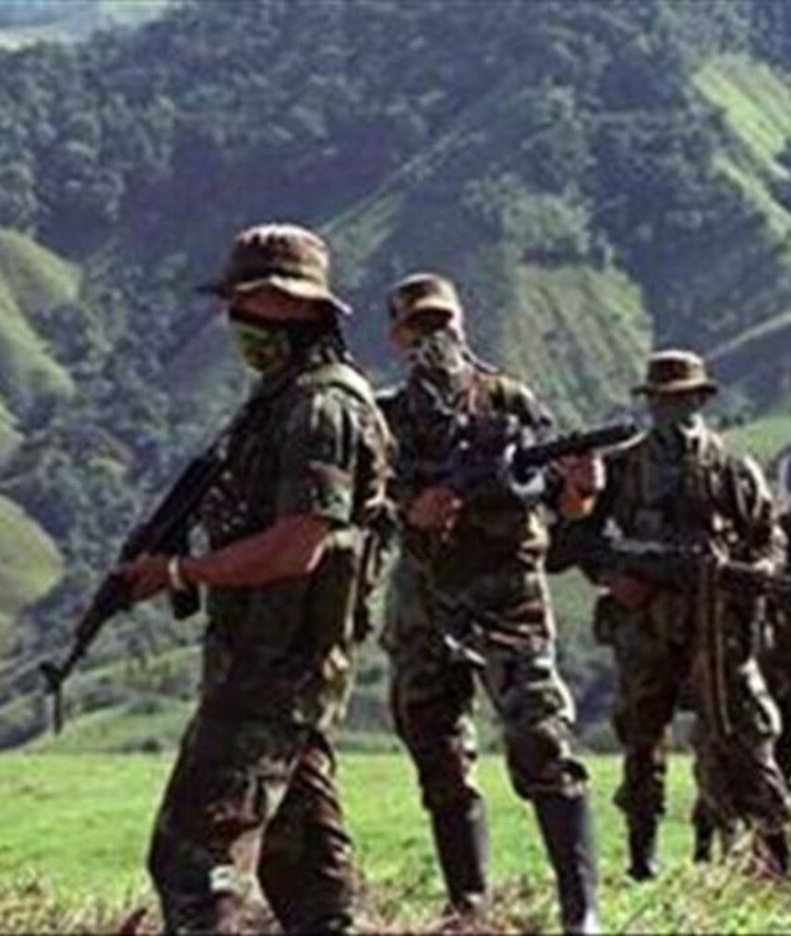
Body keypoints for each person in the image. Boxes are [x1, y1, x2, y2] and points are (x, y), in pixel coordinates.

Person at [117, 223, 393, 934]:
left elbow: (300, 545)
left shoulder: (321, 407)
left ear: (296, 304)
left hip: (276, 670)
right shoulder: (282, 400)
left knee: (193, 856)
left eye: (251, 301)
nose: (237, 317)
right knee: (305, 870)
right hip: (271, 662)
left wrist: (179, 571)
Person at [378, 273, 600, 933]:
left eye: (442, 321)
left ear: (463, 322)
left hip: (508, 598)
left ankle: (580, 911)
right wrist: (411, 509)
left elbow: (567, 505)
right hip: (423, 601)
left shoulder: (509, 400)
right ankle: (469, 909)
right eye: (418, 325)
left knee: (542, 739)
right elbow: (360, 506)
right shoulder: (386, 417)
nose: (433, 337)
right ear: (396, 336)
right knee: (438, 752)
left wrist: (583, 485)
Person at [564, 350, 790, 880]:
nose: (674, 410)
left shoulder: (733, 470)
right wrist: (613, 578)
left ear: (700, 400)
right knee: (642, 739)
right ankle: (642, 859)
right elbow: (578, 539)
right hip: (644, 626)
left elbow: (768, 542)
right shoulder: (622, 468)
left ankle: (777, 855)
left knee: (749, 731)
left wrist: (746, 574)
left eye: (684, 399)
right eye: (664, 400)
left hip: (717, 624)